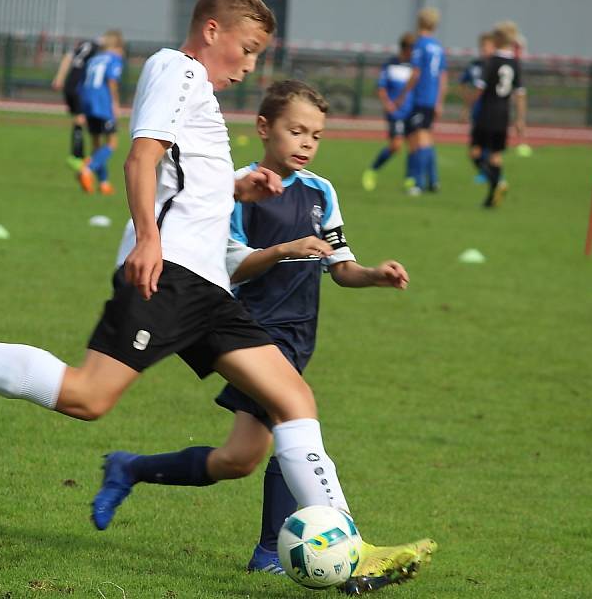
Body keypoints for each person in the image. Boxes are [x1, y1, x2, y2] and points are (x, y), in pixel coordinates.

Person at [0, 0, 429, 591]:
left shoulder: (202, 95)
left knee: (293, 398)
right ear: (212, 30)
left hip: (209, 288)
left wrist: (238, 188)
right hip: (168, 272)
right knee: (87, 396)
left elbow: (183, 176)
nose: (249, 66)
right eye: (246, 50)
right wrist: (147, 237)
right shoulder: (177, 68)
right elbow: (141, 156)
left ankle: (353, 548)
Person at [91, 79, 435, 587]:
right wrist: (284, 250)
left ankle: (130, 468)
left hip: (299, 336)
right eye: (297, 131)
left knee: (239, 458)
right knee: (288, 423)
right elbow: (233, 268)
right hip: (251, 330)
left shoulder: (322, 192)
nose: (306, 144)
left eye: (316, 136)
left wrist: (373, 275)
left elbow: (340, 266)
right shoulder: (233, 190)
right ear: (263, 128)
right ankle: (287, 550)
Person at [470, 24, 526, 208]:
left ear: (497, 40)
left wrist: (467, 107)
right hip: (503, 115)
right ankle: (491, 199)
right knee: (495, 155)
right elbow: (520, 94)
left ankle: (497, 182)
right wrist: (520, 119)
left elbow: (480, 87)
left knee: (475, 152)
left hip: (487, 112)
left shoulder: (491, 61)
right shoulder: (515, 63)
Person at [395, 8, 447, 196]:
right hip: (432, 99)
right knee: (427, 138)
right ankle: (433, 181)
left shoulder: (420, 45)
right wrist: (440, 101)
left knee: (418, 140)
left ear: (420, 23)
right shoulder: (438, 46)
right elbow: (443, 77)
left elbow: (416, 73)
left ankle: (417, 183)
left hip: (421, 98)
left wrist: (402, 94)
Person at [361, 33, 415, 192]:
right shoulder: (391, 64)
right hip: (397, 112)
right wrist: (387, 104)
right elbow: (381, 86)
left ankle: (410, 180)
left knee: (414, 146)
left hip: (412, 110)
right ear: (406, 49)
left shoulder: (415, 66)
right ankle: (372, 170)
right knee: (396, 145)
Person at [77, 30, 125, 196]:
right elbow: (112, 81)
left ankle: (103, 183)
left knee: (96, 145)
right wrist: (115, 103)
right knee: (112, 143)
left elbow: (83, 82)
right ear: (118, 46)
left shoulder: (94, 59)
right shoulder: (114, 59)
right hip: (103, 102)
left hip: (88, 101)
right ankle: (87, 169)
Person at [52, 37, 99, 171]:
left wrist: (59, 78)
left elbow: (67, 57)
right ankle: (76, 156)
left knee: (79, 119)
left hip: (70, 85)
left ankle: (79, 155)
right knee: (82, 119)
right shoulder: (98, 50)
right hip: (80, 87)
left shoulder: (84, 45)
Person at [460, 32, 494, 184]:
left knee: (488, 146)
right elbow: (463, 82)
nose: (484, 49)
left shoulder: (496, 65)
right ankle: (490, 174)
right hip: (477, 111)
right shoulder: (475, 66)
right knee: (474, 151)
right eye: (482, 46)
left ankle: (490, 175)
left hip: (492, 112)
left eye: (487, 46)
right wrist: (467, 105)